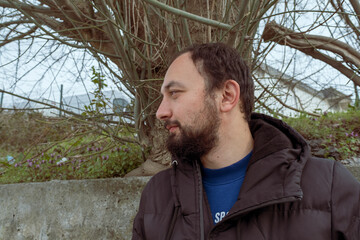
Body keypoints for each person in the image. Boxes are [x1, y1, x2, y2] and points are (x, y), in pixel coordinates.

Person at [132, 43, 360, 240]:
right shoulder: (158, 195)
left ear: (227, 96)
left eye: (175, 93)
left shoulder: (329, 187)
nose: (160, 112)